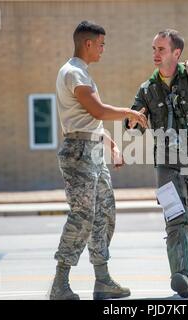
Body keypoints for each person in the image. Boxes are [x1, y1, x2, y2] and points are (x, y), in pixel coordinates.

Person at [50, 20, 147, 300]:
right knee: (82, 216)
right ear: (88, 43)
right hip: (78, 153)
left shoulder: (82, 72)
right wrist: (130, 113)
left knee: (104, 213)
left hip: (92, 150)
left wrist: (112, 145)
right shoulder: (73, 73)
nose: (103, 49)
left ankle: (102, 281)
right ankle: (60, 283)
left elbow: (90, 120)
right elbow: (98, 110)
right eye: (101, 44)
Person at [126, 29, 188, 298]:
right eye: (154, 49)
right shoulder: (147, 89)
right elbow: (133, 127)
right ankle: (182, 275)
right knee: (175, 219)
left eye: (161, 49)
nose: (155, 54)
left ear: (176, 53)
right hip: (166, 164)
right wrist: (133, 121)